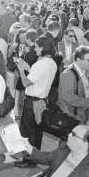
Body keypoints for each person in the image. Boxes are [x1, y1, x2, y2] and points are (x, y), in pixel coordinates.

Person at [14, 36, 58, 168]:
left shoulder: (40, 64)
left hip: (32, 102)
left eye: (38, 46)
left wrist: (21, 70)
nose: (35, 48)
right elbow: (38, 77)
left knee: (27, 131)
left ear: (43, 48)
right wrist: (27, 67)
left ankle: (28, 160)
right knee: (37, 131)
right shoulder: (52, 63)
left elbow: (27, 82)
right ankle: (35, 158)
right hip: (42, 101)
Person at [22, 125, 89, 177]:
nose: (69, 135)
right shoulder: (65, 148)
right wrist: (28, 147)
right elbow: (47, 158)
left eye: (74, 134)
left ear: (85, 143)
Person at [57, 46, 89, 125]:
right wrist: (88, 101)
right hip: (72, 117)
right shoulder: (68, 74)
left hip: (80, 114)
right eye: (88, 60)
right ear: (79, 60)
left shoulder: (83, 70)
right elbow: (67, 97)